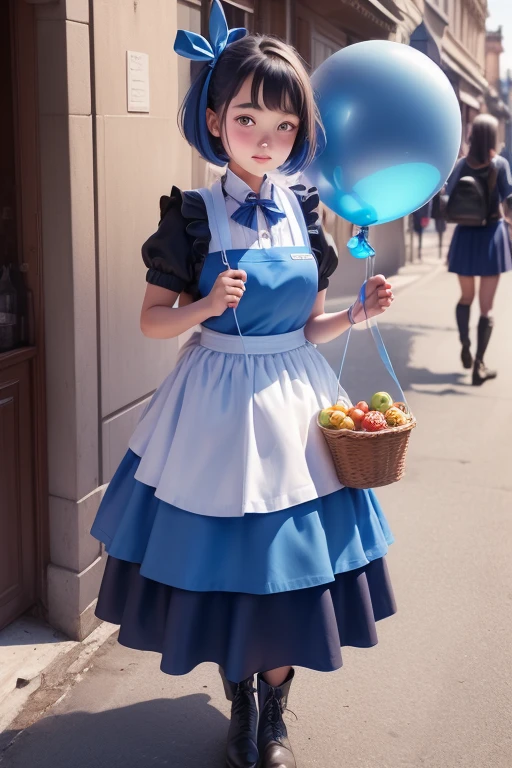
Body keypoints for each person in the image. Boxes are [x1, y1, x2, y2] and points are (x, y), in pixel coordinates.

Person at [90, 3, 396, 766]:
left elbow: (310, 326)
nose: (267, 138)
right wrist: (203, 304)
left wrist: (355, 314)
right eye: (250, 118)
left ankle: (277, 716)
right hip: (214, 403)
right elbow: (153, 322)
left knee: (292, 573)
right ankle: (240, 711)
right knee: (229, 572)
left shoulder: (306, 208)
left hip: (295, 397)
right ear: (216, 118)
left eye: (284, 126)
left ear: (300, 133)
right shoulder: (190, 217)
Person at [446, 114, 512, 385]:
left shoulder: (462, 165)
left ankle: (465, 344)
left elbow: (449, 194)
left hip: (464, 235)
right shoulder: (500, 164)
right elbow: (508, 202)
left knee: (466, 297)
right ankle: (479, 365)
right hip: (491, 236)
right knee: (487, 307)